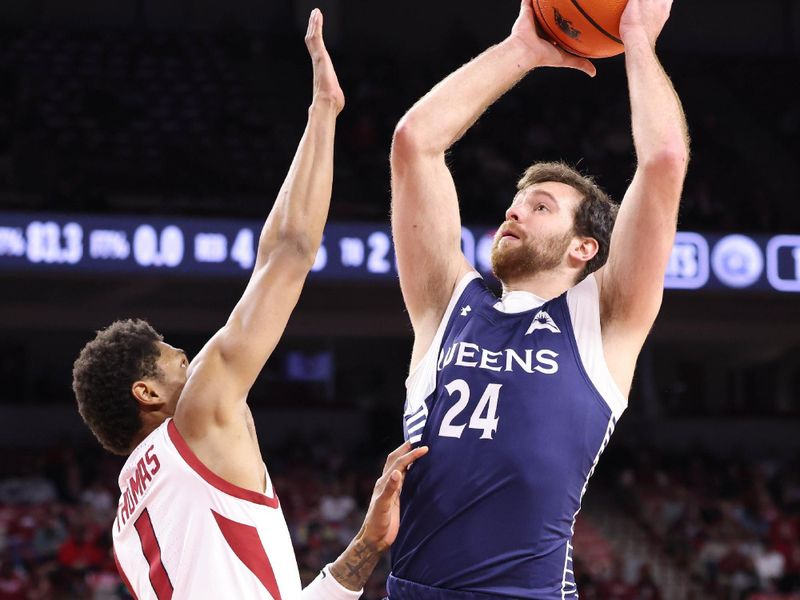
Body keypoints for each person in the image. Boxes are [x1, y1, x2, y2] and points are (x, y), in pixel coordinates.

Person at [71, 10, 427, 600]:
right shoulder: (199, 418)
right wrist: (324, 113)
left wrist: (366, 544)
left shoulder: (126, 533)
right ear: (148, 393)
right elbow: (286, 252)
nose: (194, 360)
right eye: (176, 359)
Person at [388, 0, 689, 597]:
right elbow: (414, 142)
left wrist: (635, 38)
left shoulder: (602, 321)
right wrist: (521, 50)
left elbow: (664, 161)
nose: (514, 209)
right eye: (517, 201)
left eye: (541, 206)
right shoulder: (447, 303)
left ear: (584, 248)